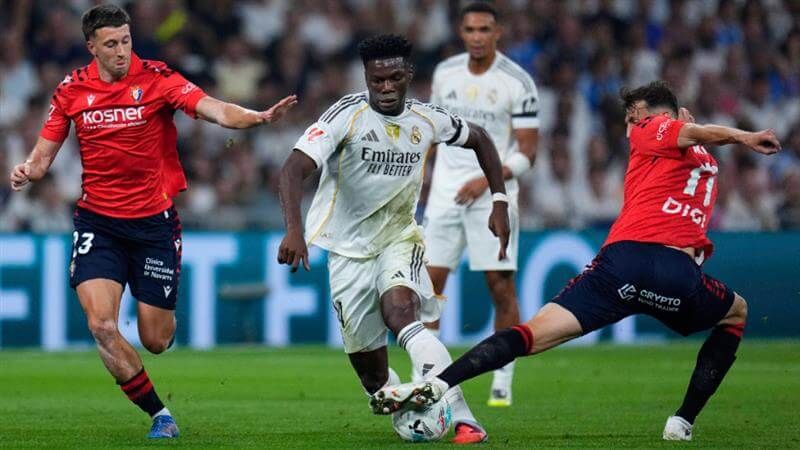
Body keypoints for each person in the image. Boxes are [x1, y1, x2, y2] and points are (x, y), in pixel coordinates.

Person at [370, 80, 781, 442]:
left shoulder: (652, 133)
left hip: (621, 264)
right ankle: (682, 422)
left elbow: (684, 130)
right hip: (675, 276)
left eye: (635, 117)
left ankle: (441, 383)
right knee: (736, 313)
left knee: (529, 335)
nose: (629, 127)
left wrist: (744, 136)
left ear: (659, 117)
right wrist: (707, 132)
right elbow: (693, 136)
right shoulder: (703, 160)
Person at [8, 4, 296, 439]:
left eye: (126, 40)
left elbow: (212, 108)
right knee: (102, 325)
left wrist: (253, 117)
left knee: (155, 340)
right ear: (92, 47)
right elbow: (43, 156)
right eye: (111, 44)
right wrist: (27, 169)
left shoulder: (157, 78)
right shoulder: (71, 90)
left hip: (153, 226)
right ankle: (160, 414)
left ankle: (161, 324)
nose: (122, 51)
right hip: (98, 224)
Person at [277, 34, 509, 444]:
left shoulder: (427, 118)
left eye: (394, 78)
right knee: (373, 378)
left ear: (409, 76)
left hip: (399, 237)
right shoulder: (345, 116)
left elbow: (481, 139)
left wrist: (500, 200)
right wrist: (294, 229)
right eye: (377, 79)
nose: (385, 88)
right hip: (347, 251)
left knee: (401, 312)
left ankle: (463, 417)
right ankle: (408, 403)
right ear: (366, 77)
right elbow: (293, 169)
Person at [422, 1, 539, 407]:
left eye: (484, 30)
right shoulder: (444, 73)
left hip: (493, 196)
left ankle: (502, 377)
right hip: (443, 194)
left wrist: (485, 179)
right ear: (461, 31)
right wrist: (420, 174)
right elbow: (433, 132)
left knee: (499, 286)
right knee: (428, 286)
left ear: (497, 32)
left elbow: (527, 154)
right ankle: (431, 376)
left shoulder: (517, 82)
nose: (477, 37)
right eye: (470, 30)